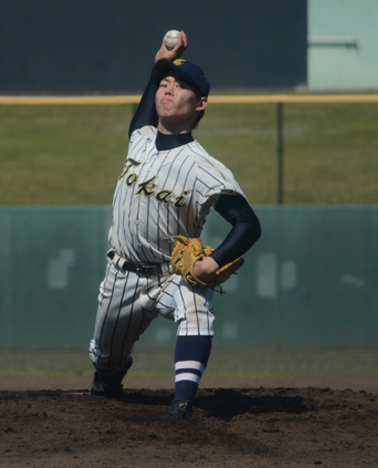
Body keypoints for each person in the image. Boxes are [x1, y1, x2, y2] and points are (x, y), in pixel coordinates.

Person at [89, 31, 261, 420]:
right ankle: (110, 375)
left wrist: (213, 262)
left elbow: (248, 224)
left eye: (179, 86)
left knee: (197, 306)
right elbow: (150, 96)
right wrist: (162, 61)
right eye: (164, 84)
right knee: (105, 358)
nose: (167, 90)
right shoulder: (141, 138)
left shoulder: (205, 168)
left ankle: (181, 405)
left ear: (200, 104)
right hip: (122, 274)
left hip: (172, 273)